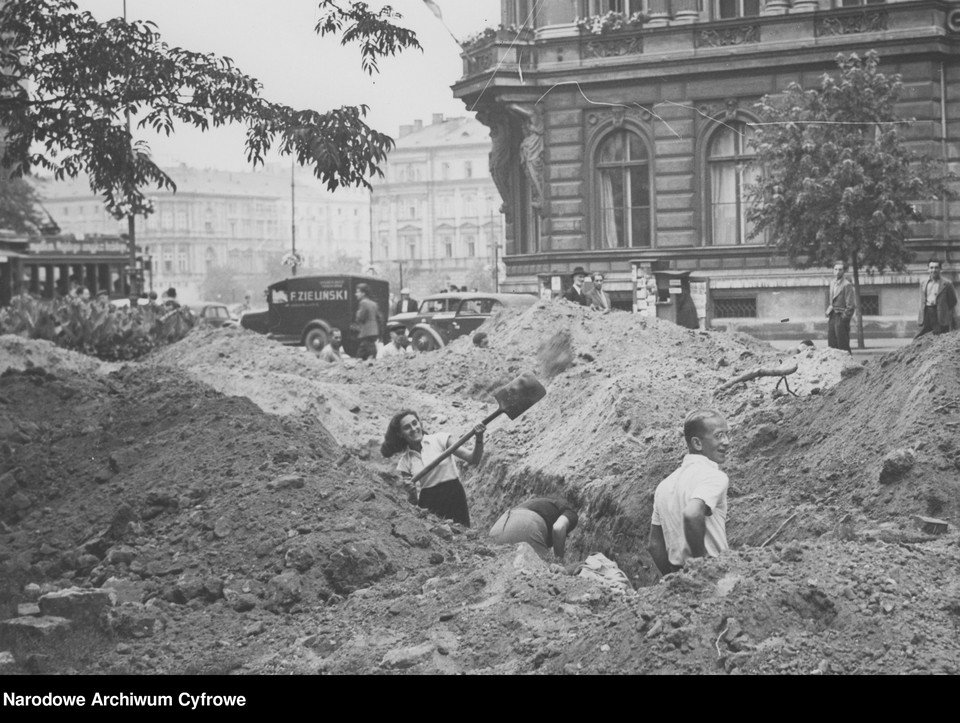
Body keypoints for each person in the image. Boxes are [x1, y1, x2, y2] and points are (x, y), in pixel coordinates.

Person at [647, 409, 730, 576]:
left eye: (727, 434)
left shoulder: (664, 486)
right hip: (713, 572)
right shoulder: (714, 477)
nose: (726, 442)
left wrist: (674, 578)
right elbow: (692, 514)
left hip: (679, 576)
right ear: (697, 443)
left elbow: (654, 545)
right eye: (718, 435)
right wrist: (700, 568)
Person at [381, 410, 485, 527]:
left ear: (420, 423)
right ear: (400, 434)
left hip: (454, 495)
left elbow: (473, 459)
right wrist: (411, 493)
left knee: (462, 537)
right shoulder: (405, 462)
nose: (414, 428)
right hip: (429, 501)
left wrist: (479, 438)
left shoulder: (441, 439)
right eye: (407, 427)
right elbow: (413, 502)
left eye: (415, 423)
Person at [488, 497, 579, 561]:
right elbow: (558, 528)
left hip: (499, 526)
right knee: (548, 573)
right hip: (524, 526)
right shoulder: (569, 511)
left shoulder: (544, 503)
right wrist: (559, 560)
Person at [915, 258, 957, 338]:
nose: (933, 270)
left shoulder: (947, 284)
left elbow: (953, 301)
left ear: (940, 269)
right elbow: (922, 300)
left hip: (940, 316)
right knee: (919, 340)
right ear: (928, 269)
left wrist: (944, 310)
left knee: (941, 340)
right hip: (926, 314)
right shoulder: (923, 283)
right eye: (931, 268)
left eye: (936, 267)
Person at [826, 260, 856, 353]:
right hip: (832, 316)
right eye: (835, 269)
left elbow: (851, 306)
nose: (837, 272)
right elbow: (832, 301)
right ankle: (834, 366)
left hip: (841, 316)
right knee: (832, 343)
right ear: (833, 270)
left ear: (844, 271)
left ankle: (848, 365)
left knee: (843, 344)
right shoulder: (832, 283)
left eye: (840, 269)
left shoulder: (847, 285)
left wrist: (844, 318)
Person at [353, 282, 381, 361]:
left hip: (366, 332)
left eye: (358, 292)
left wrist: (357, 313)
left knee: (361, 355)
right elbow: (378, 317)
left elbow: (360, 318)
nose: (356, 294)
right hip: (373, 332)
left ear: (363, 293)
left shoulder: (363, 303)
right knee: (368, 352)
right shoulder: (374, 304)